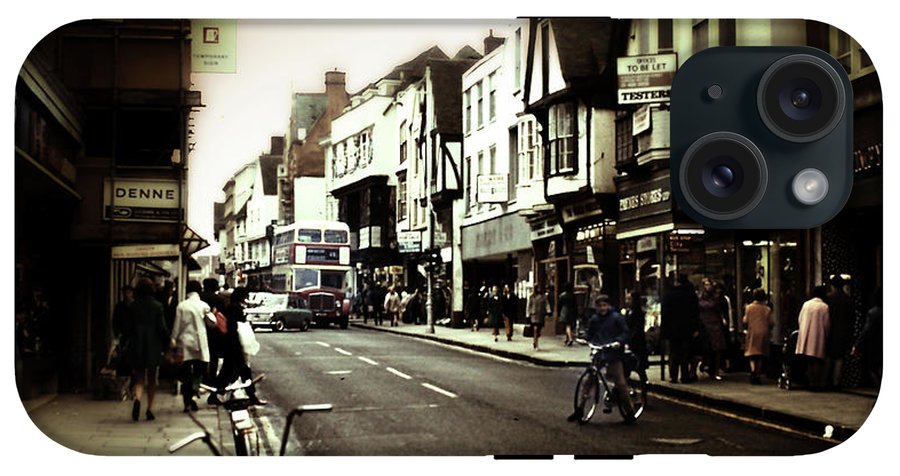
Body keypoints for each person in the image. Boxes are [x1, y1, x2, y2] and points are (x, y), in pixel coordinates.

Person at [569, 294, 634, 421]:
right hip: (599, 352)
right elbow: (590, 333)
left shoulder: (616, 318)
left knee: (620, 383)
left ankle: (630, 412)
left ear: (609, 306)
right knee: (588, 381)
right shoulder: (594, 319)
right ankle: (580, 409)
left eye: (604, 305)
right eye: (599, 306)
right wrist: (583, 339)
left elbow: (625, 332)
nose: (602, 308)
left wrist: (618, 342)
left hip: (613, 353)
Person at [210, 286, 264, 406]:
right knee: (242, 371)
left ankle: (214, 395)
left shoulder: (230, 307)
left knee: (230, 372)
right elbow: (234, 328)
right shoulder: (235, 308)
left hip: (231, 345)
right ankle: (252, 396)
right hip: (235, 345)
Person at [125, 277, 170, 421]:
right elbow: (162, 328)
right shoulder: (157, 306)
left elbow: (128, 328)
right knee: (152, 378)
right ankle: (149, 409)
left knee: (139, 377)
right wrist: (169, 341)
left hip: (137, 344)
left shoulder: (132, 306)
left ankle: (137, 399)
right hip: (152, 345)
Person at [170, 280, 210, 412]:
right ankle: (194, 390)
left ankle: (187, 401)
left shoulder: (182, 306)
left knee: (185, 372)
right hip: (200, 342)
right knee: (200, 370)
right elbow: (212, 324)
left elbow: (177, 325)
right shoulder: (204, 306)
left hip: (185, 343)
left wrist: (173, 339)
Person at [661, 274, 701, 384]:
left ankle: (673, 376)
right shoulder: (690, 295)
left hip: (672, 329)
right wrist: (695, 328)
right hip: (687, 328)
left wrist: (664, 330)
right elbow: (695, 313)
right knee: (685, 353)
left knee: (673, 353)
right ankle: (685, 376)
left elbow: (665, 313)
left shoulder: (669, 295)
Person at [796, 285, 831, 391]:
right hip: (818, 335)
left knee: (809, 361)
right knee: (817, 361)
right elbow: (826, 324)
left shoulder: (806, 304)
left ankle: (811, 382)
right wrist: (827, 334)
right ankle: (816, 384)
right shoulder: (824, 307)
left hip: (806, 334)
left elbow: (800, 319)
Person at [826, 275, 853, 389]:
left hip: (830, 330)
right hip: (843, 332)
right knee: (839, 359)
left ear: (832, 286)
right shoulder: (847, 299)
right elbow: (851, 318)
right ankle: (836, 383)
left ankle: (826, 380)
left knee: (828, 357)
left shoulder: (828, 298)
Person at [698, 278, 728, 381]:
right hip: (704, 324)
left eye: (709, 284)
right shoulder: (700, 298)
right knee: (706, 347)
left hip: (715, 324)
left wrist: (723, 319)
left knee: (717, 348)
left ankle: (715, 369)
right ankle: (706, 364)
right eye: (706, 285)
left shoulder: (716, 298)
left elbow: (720, 311)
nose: (708, 287)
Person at [852, 287, 882, 389]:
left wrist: (856, 345)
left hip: (875, 344)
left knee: (873, 368)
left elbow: (866, 330)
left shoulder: (873, 313)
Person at [742, 288, 773, 385]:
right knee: (760, 354)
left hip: (752, 332)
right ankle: (758, 374)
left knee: (752, 353)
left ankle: (753, 371)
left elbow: (745, 321)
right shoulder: (767, 309)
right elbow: (771, 322)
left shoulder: (749, 307)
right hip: (764, 332)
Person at [199, 278, 225, 385]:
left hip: (201, 329)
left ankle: (203, 377)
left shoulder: (200, 298)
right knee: (213, 356)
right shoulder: (219, 299)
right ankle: (212, 378)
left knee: (202, 356)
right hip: (215, 332)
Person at [622, 290, 648, 373]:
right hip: (629, 343)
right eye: (626, 299)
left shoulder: (639, 313)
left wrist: (628, 340)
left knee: (639, 368)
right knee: (626, 367)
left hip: (637, 344)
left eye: (629, 299)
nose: (627, 301)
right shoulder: (628, 312)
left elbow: (637, 329)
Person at [527, 285, 549, 350]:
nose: (538, 289)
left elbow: (547, 304)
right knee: (535, 329)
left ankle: (535, 340)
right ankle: (536, 343)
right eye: (537, 288)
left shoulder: (543, 297)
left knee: (538, 330)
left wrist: (548, 311)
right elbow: (528, 305)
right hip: (533, 315)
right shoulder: (531, 296)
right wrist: (527, 314)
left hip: (540, 315)